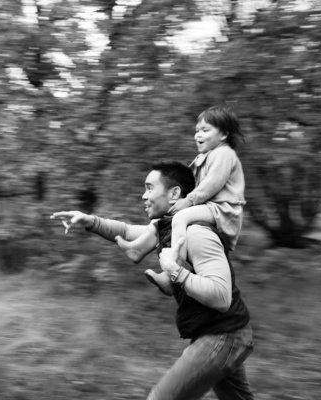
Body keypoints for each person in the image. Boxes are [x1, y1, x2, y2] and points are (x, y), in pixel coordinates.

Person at [51, 160, 254, 399]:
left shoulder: (196, 233)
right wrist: (90, 221)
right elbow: (127, 232)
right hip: (224, 333)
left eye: (149, 188)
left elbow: (222, 298)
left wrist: (176, 272)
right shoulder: (166, 227)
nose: (143, 196)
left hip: (223, 336)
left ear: (174, 193)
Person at [116, 106, 246, 295]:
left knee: (180, 218)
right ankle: (138, 249)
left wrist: (189, 201)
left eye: (205, 130)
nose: (198, 135)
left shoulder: (224, 154)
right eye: (197, 131)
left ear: (224, 134)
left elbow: (213, 183)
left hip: (223, 211)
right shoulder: (204, 156)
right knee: (166, 217)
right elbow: (187, 178)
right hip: (208, 207)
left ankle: (172, 275)